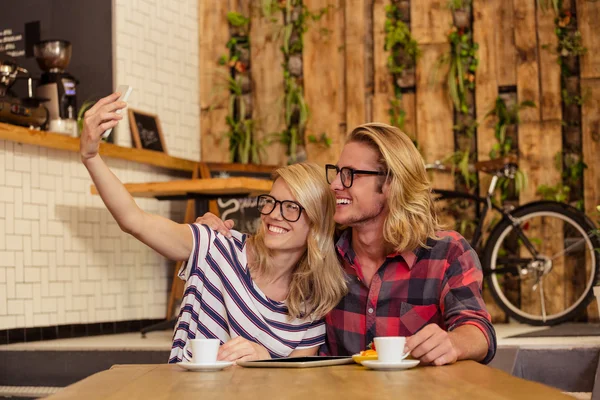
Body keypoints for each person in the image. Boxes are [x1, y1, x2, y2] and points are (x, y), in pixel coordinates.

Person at [197, 122, 496, 366]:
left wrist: (453, 343)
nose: (335, 184)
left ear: (391, 184)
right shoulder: (323, 254)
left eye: (350, 174)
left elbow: (479, 330)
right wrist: (217, 233)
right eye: (337, 172)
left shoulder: (445, 252)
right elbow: (268, 247)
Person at [79, 92, 347, 363]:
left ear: (316, 225)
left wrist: (266, 360)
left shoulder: (310, 308)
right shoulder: (217, 245)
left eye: (292, 207)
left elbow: (299, 387)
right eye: (271, 202)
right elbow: (134, 221)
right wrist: (91, 156)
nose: (274, 215)